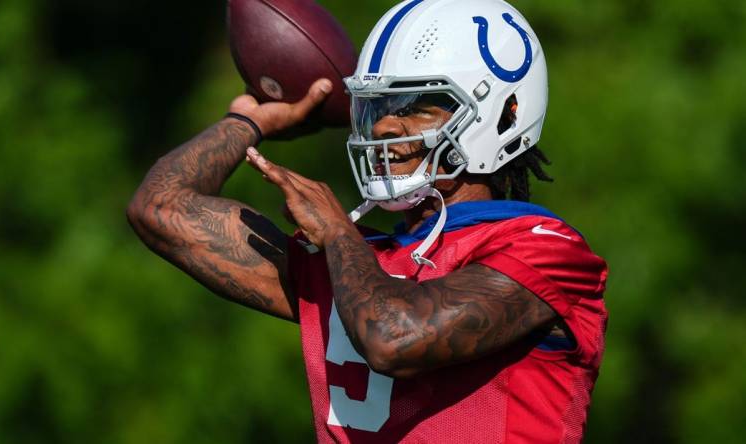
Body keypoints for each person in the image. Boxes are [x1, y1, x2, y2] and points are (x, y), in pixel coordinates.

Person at [127, 0, 608, 442]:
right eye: (378, 106)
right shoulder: (359, 262)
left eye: (414, 105)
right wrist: (249, 123)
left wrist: (337, 233)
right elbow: (160, 209)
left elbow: (395, 337)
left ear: (503, 113)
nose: (383, 126)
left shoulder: (546, 249)